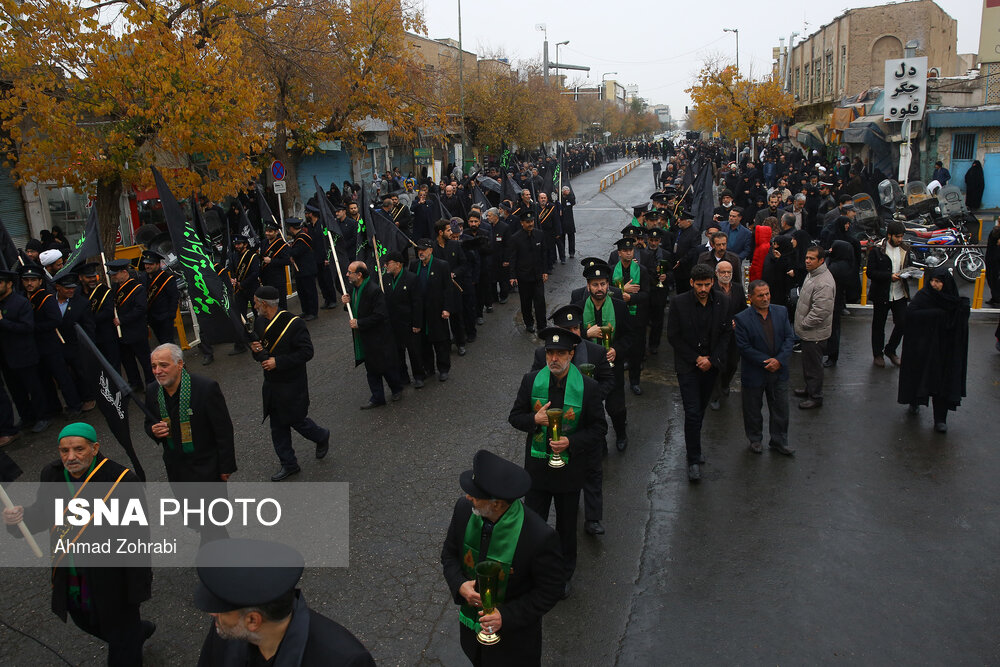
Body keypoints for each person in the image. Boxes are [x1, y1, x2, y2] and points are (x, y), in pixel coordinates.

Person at [3, 423, 154, 665]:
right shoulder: (51, 475)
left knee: (122, 645)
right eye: (64, 451)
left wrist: (137, 587)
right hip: (72, 573)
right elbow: (43, 513)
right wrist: (18, 519)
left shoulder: (122, 482)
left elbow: (137, 540)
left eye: (78, 449)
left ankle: (129, 637)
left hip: (112, 579)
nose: (70, 457)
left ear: (95, 448)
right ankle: (135, 632)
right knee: (86, 621)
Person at [509, 327, 608, 598]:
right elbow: (515, 417)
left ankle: (564, 574)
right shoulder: (531, 381)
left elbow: (599, 429)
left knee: (566, 528)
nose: (554, 358)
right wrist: (534, 420)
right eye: (550, 352)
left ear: (571, 355)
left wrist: (571, 443)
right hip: (538, 470)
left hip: (569, 470)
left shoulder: (588, 387)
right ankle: (534, 572)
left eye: (560, 353)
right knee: (533, 525)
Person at [440, 449, 563, 666]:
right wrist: (460, 585)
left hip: (514, 645)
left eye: (475, 496)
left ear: (496, 504)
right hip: (472, 634)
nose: (468, 497)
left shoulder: (539, 536)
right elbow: (449, 555)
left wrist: (504, 617)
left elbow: (550, 590)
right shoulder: (464, 510)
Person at [194, 539, 375, 666]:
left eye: (220, 611)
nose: (213, 614)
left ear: (252, 621)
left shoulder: (343, 661)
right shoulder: (226, 630)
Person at [530, 304, 614, 537]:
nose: (574, 333)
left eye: (576, 327)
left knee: (592, 470)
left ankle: (593, 518)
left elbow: (608, 380)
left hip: (585, 422)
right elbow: (535, 384)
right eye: (567, 328)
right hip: (557, 425)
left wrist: (593, 398)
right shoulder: (543, 356)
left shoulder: (595, 352)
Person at [250, 286, 330, 481]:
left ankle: (321, 436)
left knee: (297, 420)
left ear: (264, 304)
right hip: (272, 385)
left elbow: (306, 352)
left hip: (291, 384)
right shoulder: (260, 323)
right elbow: (261, 353)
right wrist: (256, 351)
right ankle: (289, 463)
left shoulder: (294, 324)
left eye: (255, 302)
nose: (254, 306)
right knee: (277, 426)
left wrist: (278, 362)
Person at [666, 263, 732, 482]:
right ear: (692, 283)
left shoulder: (723, 301)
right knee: (692, 411)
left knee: (700, 409)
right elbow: (674, 337)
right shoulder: (678, 303)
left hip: (711, 366)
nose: (703, 289)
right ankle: (693, 459)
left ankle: (694, 443)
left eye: (707, 284)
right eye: (699, 285)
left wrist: (712, 360)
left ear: (713, 282)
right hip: (688, 366)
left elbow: (725, 335)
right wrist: (696, 358)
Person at [143, 343, 236, 483]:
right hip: (176, 470)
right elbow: (149, 422)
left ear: (179, 364)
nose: (157, 371)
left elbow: (223, 430)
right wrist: (153, 431)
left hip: (207, 468)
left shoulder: (206, 388)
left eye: (163, 365)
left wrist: (225, 467)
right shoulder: (152, 390)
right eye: (154, 366)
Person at [897, 269, 970, 433]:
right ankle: (914, 401)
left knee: (942, 384)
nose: (934, 284)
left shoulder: (952, 300)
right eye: (932, 281)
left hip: (944, 351)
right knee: (919, 377)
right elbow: (911, 314)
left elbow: (957, 322)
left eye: (938, 281)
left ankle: (940, 420)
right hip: (923, 348)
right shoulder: (925, 296)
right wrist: (938, 315)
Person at [574, 261, 631, 451]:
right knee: (592, 407)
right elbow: (568, 337)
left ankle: (621, 434)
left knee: (616, 407)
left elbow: (630, 336)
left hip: (611, 365)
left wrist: (618, 350)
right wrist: (585, 334)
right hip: (588, 367)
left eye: (603, 284)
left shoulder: (620, 307)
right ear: (588, 286)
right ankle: (600, 441)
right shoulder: (578, 307)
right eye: (595, 284)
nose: (600, 289)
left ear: (608, 284)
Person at [734, 281, 796, 455]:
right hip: (755, 372)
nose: (765, 298)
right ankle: (755, 439)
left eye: (767, 294)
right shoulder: (742, 319)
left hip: (779, 371)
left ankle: (779, 441)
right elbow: (744, 347)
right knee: (753, 409)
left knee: (781, 409)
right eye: (760, 295)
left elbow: (789, 339)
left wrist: (779, 361)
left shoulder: (781, 312)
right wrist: (767, 362)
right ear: (751, 298)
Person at [21, 263, 83, 418]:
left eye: (33, 280)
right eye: (26, 280)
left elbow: (55, 321)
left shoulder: (46, 298)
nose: (30, 283)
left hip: (51, 344)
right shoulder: (24, 298)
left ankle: (75, 406)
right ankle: (54, 407)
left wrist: (32, 327)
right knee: (44, 379)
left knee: (62, 377)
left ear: (40, 282)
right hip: (35, 347)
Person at [342, 260, 402, 408]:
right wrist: (346, 304)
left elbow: (380, 315)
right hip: (365, 338)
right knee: (371, 369)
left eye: (350, 272)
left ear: (360, 275)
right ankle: (377, 397)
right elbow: (355, 308)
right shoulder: (353, 289)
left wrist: (359, 323)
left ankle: (396, 388)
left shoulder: (373, 290)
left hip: (379, 337)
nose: (347, 275)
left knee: (385, 366)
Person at [793, 246, 836, 409]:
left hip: (814, 334)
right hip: (809, 333)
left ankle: (815, 396)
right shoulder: (813, 274)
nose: (807, 261)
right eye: (806, 258)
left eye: (811, 259)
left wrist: (803, 324)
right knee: (808, 364)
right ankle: (809, 388)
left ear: (821, 261)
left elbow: (820, 312)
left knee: (814, 366)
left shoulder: (823, 282)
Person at [866, 221, 911, 367]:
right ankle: (877, 354)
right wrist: (889, 276)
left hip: (899, 293)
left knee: (903, 323)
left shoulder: (904, 249)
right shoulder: (877, 250)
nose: (900, 240)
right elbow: (871, 272)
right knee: (879, 325)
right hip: (882, 294)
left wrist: (909, 273)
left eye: (902, 237)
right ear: (889, 235)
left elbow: (908, 266)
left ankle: (890, 350)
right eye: (897, 237)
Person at [410, 239, 455, 381]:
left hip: (436, 310)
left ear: (431, 250)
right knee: (424, 341)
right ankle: (428, 368)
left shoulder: (441, 265)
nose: (420, 252)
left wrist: (447, 308)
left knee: (440, 341)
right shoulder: (414, 265)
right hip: (420, 311)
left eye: (423, 250)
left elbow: (448, 289)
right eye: (418, 250)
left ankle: (443, 368)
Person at [107, 258, 154, 390]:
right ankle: (135, 383)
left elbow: (140, 309)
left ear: (123, 272)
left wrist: (122, 319)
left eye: (115, 274)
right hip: (123, 333)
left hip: (136, 330)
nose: (113, 277)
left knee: (144, 359)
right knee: (128, 361)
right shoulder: (116, 287)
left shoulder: (137, 288)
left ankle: (151, 383)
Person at [383, 250, 425, 387]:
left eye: (388, 264)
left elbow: (417, 303)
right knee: (398, 353)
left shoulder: (412, 278)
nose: (385, 266)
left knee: (414, 352)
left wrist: (417, 323)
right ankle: (403, 377)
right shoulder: (385, 279)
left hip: (409, 323)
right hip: (394, 324)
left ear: (398, 264)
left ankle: (419, 376)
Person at [708, 260, 746, 410]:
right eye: (722, 272)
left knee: (732, 363)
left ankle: (725, 384)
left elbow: (743, 308)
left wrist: (737, 321)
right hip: (717, 333)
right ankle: (715, 396)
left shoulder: (737, 288)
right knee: (717, 364)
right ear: (716, 273)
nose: (726, 275)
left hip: (734, 334)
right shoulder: (712, 289)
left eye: (728, 272)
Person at [506, 211, 548, 333]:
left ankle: (542, 325)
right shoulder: (515, 238)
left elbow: (544, 254)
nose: (530, 224)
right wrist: (512, 276)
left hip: (538, 275)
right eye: (528, 222)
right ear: (522, 223)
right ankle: (529, 323)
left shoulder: (539, 234)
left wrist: (545, 271)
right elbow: (512, 258)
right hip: (524, 277)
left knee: (540, 301)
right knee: (526, 302)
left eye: (532, 221)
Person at [139, 250, 179, 345]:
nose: (147, 266)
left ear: (158, 264)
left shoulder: (166, 278)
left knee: (168, 344)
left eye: (151, 264)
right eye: (146, 264)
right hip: (152, 318)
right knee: (161, 342)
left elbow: (174, 298)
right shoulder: (143, 277)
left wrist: (170, 316)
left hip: (165, 317)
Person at [287, 217, 319, 320]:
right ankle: (306, 311)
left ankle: (313, 312)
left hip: (306, 269)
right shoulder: (298, 237)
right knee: (302, 292)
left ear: (292, 228)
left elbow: (296, 252)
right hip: (300, 270)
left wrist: (288, 248)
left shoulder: (302, 238)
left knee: (310, 292)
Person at [260, 221, 290, 310]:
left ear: (276, 232)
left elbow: (287, 260)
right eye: (266, 231)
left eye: (270, 231)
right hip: (266, 278)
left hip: (278, 279)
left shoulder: (281, 244)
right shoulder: (264, 242)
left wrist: (272, 261)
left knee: (281, 303)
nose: (267, 233)